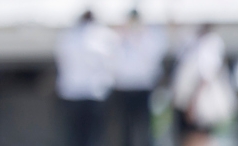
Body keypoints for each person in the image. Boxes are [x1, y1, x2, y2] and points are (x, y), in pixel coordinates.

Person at [172, 24, 237, 146]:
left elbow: (206, 75)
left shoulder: (210, 43)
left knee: (195, 136)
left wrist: (193, 103)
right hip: (190, 103)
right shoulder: (193, 40)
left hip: (197, 105)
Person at [59, 10, 117, 146]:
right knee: (88, 135)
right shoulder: (102, 36)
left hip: (82, 92)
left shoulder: (69, 36)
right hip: (89, 92)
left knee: (79, 134)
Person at [111, 8, 166, 146]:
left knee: (145, 126)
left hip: (143, 87)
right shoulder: (120, 37)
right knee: (126, 127)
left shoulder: (148, 36)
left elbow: (155, 57)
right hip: (124, 88)